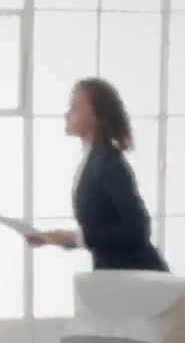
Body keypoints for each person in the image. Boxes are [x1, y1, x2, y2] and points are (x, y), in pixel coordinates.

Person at [26, 77, 169, 272]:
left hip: (137, 274)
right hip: (115, 274)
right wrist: (56, 238)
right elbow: (103, 228)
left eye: (75, 107)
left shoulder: (108, 162)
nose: (67, 113)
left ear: (95, 118)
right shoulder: (94, 158)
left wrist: (76, 238)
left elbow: (138, 229)